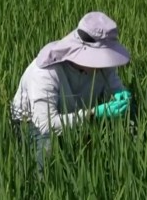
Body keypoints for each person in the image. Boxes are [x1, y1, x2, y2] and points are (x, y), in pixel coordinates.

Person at [10, 12, 134, 176]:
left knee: (129, 122)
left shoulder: (103, 67)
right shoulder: (45, 72)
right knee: (47, 151)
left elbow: (115, 85)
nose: (105, 64)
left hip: (79, 113)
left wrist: (123, 95)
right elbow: (45, 125)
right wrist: (94, 113)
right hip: (33, 123)